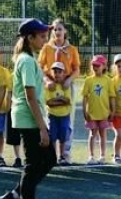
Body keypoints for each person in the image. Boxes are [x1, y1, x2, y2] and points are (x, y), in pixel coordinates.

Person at [0, 19, 56, 199]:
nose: (45, 39)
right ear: (30, 38)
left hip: (31, 117)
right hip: (29, 119)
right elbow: (30, 96)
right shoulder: (26, 60)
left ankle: (17, 196)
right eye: (41, 36)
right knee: (34, 164)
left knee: (48, 159)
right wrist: (42, 128)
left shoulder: (29, 59)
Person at [38, 19, 81, 160]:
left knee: (67, 119)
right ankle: (50, 153)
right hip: (50, 85)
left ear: (65, 31)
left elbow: (76, 69)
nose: (57, 32)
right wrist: (46, 80)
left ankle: (65, 154)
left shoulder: (72, 49)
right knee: (50, 117)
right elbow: (39, 67)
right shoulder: (46, 48)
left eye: (60, 29)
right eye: (55, 29)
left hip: (66, 85)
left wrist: (69, 80)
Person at [82, 55, 116, 165]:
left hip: (104, 114)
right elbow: (85, 97)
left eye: (97, 65)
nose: (95, 67)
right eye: (93, 65)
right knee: (92, 134)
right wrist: (84, 111)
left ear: (104, 66)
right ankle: (91, 156)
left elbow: (112, 97)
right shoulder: (88, 80)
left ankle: (102, 156)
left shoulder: (108, 80)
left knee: (103, 135)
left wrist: (113, 111)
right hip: (92, 114)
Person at [45, 62, 73, 166]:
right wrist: (60, 100)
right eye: (55, 72)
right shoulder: (49, 87)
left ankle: (62, 156)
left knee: (62, 137)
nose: (57, 74)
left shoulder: (65, 86)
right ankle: (53, 157)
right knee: (52, 137)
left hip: (64, 116)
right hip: (52, 116)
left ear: (64, 73)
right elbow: (49, 102)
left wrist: (57, 100)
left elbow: (67, 100)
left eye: (59, 72)